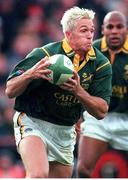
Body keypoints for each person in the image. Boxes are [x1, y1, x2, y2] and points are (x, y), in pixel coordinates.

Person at [5, 6, 112, 178]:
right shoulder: (45, 54)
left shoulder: (101, 64)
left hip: (65, 130)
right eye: (83, 30)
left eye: (92, 30)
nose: (90, 35)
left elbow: (101, 111)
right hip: (33, 121)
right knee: (39, 175)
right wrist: (30, 74)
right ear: (68, 34)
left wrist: (78, 91)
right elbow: (10, 90)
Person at [77, 11, 128, 178]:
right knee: (83, 170)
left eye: (119, 27)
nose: (114, 31)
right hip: (99, 118)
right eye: (110, 27)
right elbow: (78, 85)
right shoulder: (90, 51)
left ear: (126, 30)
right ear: (103, 30)